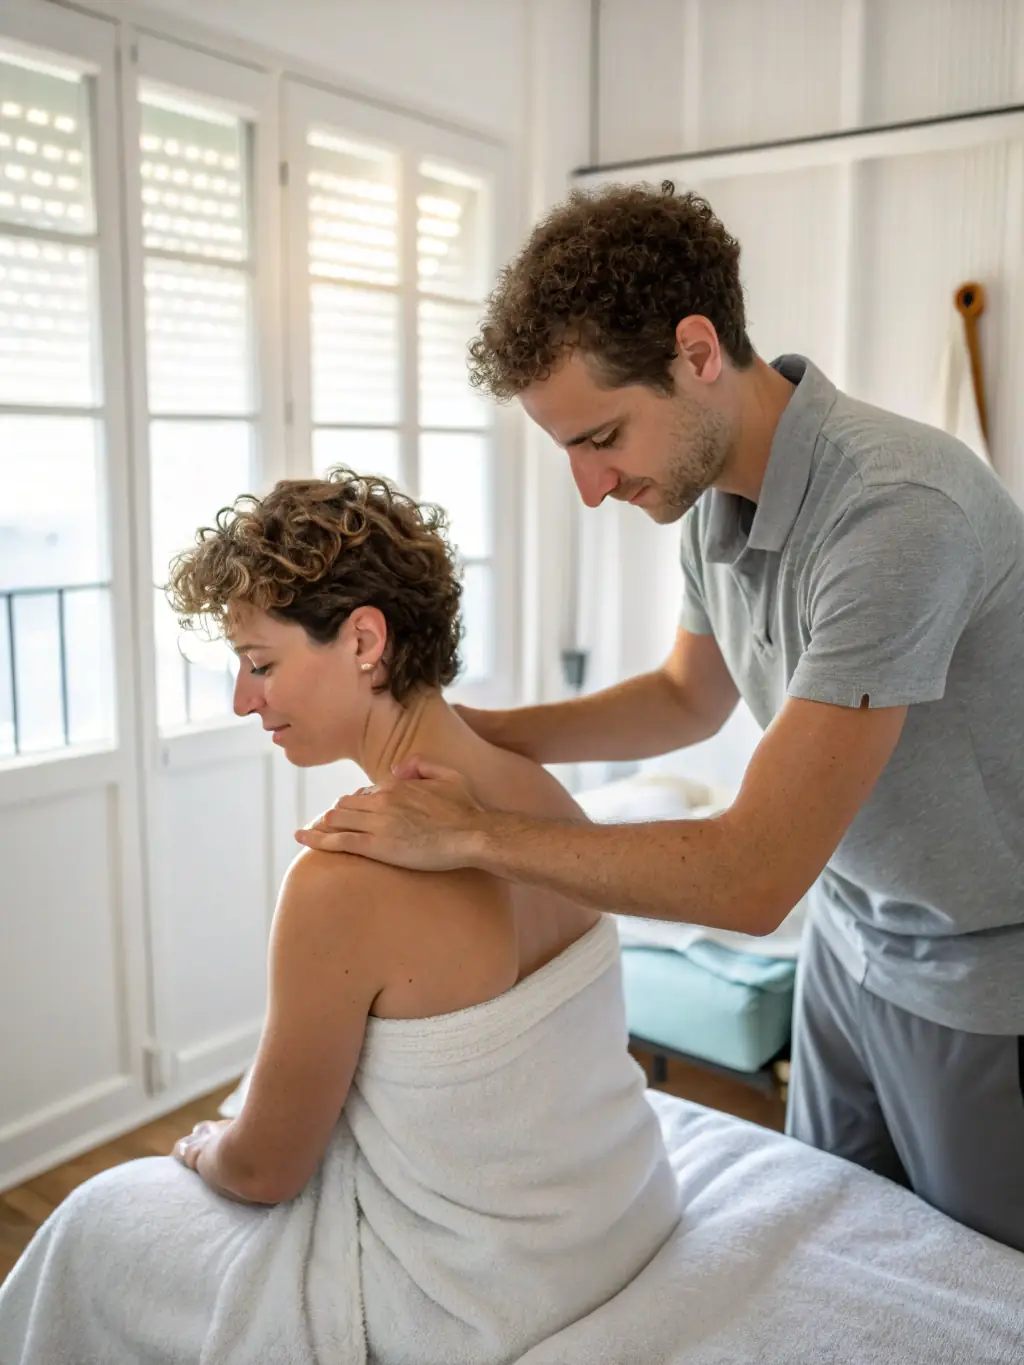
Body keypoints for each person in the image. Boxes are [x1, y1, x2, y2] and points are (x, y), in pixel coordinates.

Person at [300, 183, 1024, 1253]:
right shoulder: (712, 497)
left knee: (979, 1290)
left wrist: (468, 833)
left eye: (601, 438)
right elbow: (687, 698)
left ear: (695, 352)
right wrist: (476, 734)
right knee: (835, 1240)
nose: (591, 488)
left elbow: (747, 877)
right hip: (848, 939)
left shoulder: (894, 514)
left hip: (976, 971)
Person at [0, 471, 677, 1364]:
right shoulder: (547, 800)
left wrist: (205, 1148)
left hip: (487, 1297)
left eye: (262, 663)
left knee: (93, 1220)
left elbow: (265, 1167)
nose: (246, 700)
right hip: (618, 1218)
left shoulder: (341, 880)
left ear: (365, 638)